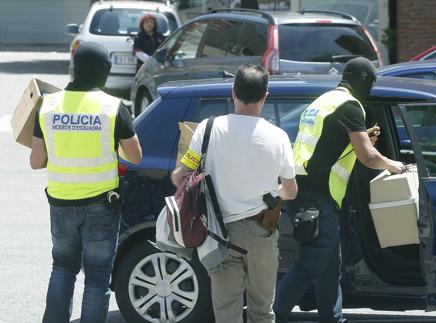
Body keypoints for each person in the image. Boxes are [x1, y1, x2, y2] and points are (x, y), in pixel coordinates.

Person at [273, 57, 406, 323]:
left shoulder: (323, 101)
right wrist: (394, 165)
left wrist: (359, 137)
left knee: (329, 266)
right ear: (365, 81)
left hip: (302, 192)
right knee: (310, 264)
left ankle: (332, 319)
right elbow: (368, 157)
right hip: (317, 198)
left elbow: (326, 145)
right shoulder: (350, 106)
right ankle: (268, 316)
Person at [171, 64, 298, 323]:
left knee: (227, 312)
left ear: (233, 92)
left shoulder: (207, 129)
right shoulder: (279, 137)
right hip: (262, 232)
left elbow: (179, 175)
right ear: (265, 97)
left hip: (220, 234)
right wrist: (274, 191)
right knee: (262, 311)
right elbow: (291, 191)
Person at [30, 42, 142, 323]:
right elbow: (136, 156)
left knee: (62, 269)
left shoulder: (48, 105)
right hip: (100, 206)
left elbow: (35, 160)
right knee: (97, 278)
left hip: (60, 203)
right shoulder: (112, 107)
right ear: (103, 71)